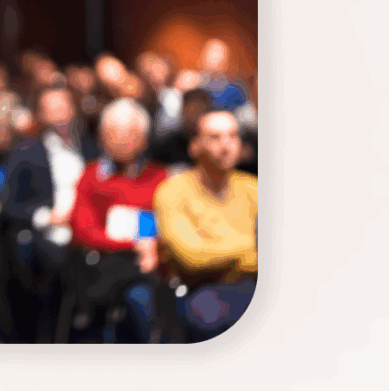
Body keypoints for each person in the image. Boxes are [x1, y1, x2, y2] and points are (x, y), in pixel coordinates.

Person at [64, 99, 169, 343]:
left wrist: (154, 247)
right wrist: (134, 244)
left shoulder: (161, 177)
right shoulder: (90, 176)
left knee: (146, 298)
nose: (121, 139)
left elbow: (171, 227)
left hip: (151, 265)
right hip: (103, 265)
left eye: (131, 132)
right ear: (101, 136)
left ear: (144, 137)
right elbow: (82, 231)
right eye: (113, 132)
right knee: (133, 298)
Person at [153, 110, 258, 342]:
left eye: (233, 136)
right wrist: (252, 252)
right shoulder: (173, 191)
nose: (226, 145)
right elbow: (192, 257)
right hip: (198, 290)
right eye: (215, 137)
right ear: (194, 146)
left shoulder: (254, 188)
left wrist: (228, 253)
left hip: (253, 287)